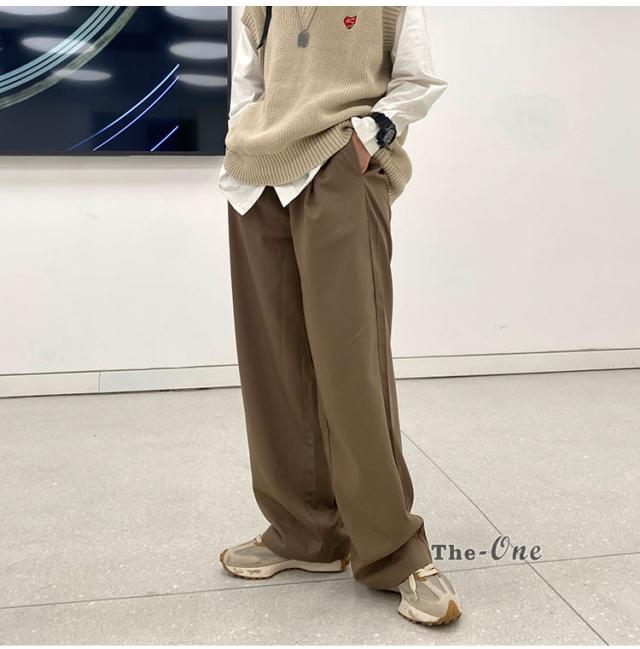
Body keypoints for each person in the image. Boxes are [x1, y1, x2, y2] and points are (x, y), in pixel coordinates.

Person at [216, 6, 459, 627]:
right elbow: (249, 84)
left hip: (338, 167)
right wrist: (241, 140)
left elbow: (418, 78)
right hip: (256, 181)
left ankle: (394, 552)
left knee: (352, 366)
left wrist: (369, 137)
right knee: (272, 366)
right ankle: (305, 534)